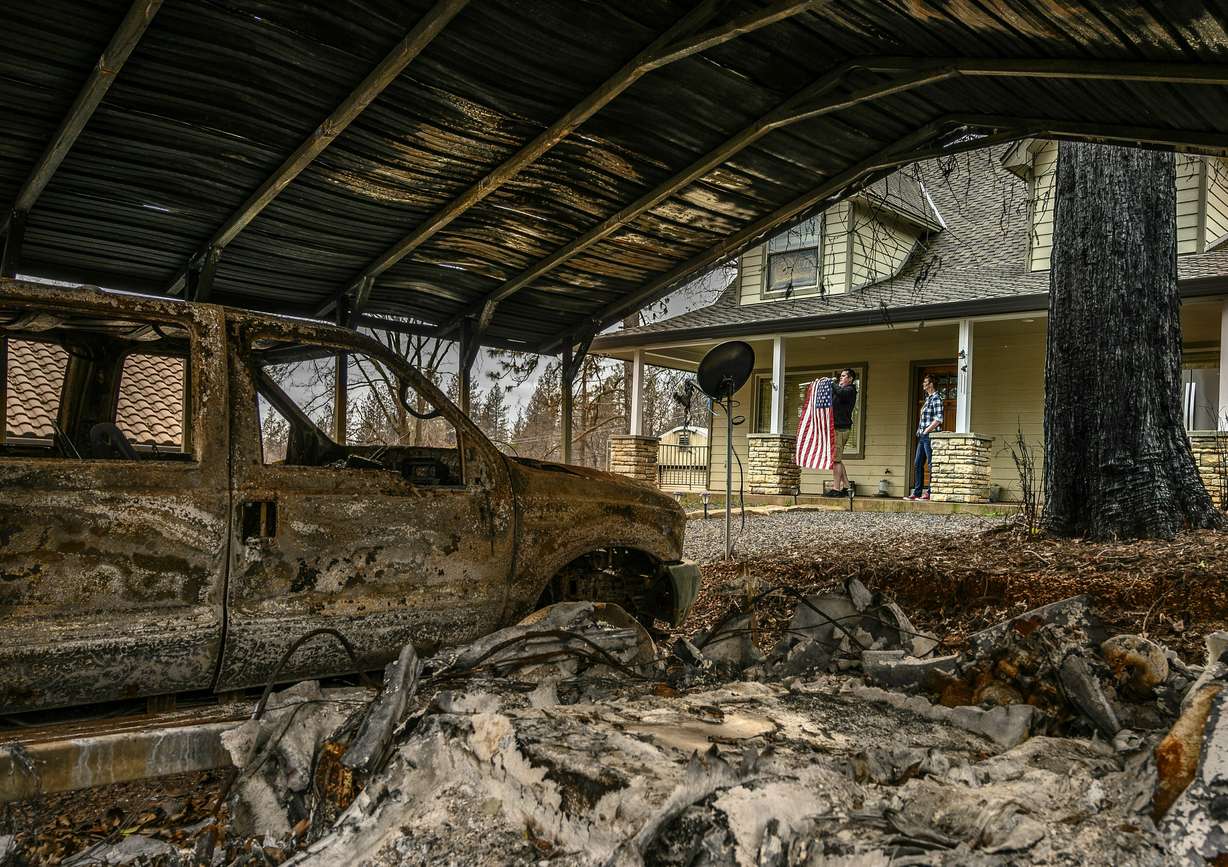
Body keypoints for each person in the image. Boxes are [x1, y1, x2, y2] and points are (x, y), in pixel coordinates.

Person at [909, 374, 943, 500]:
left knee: (931, 464)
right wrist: (920, 431)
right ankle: (917, 492)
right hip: (923, 437)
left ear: (931, 384)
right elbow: (924, 418)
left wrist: (926, 431)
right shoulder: (928, 399)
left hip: (930, 436)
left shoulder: (936, 399)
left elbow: (938, 419)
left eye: (925, 382)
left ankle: (930, 492)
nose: (923, 384)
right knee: (918, 463)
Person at [824, 368, 858, 497]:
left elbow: (840, 392)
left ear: (850, 379)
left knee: (836, 460)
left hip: (841, 429)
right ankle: (847, 488)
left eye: (844, 376)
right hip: (837, 428)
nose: (840, 378)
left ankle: (836, 489)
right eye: (841, 376)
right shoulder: (840, 391)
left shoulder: (850, 390)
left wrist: (831, 383)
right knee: (838, 459)